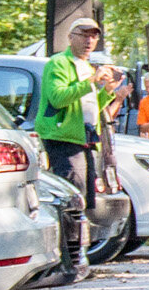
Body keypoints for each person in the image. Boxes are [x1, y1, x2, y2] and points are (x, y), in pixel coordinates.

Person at [31, 18, 127, 220]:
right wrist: (92, 80)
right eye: (84, 35)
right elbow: (57, 99)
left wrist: (109, 92)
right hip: (63, 139)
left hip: (85, 138)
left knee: (83, 198)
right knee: (71, 199)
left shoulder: (86, 66)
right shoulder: (59, 63)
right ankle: (69, 247)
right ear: (70, 37)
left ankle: (78, 245)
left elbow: (88, 106)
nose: (89, 41)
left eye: (94, 36)